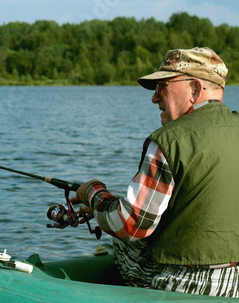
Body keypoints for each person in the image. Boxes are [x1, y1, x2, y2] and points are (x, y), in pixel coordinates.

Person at [70, 47, 239, 298]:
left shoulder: (169, 140)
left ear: (194, 88)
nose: (154, 98)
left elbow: (130, 225)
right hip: (234, 285)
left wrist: (93, 195)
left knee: (122, 239)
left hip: (182, 286)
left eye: (162, 87)